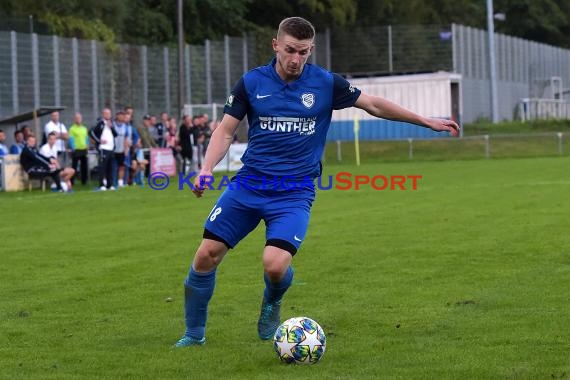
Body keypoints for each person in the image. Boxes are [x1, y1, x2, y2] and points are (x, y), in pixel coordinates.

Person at [174, 16, 459, 347]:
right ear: (276, 45)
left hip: (294, 192)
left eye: (304, 52)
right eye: (291, 51)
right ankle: (194, 335)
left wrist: (425, 120)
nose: (296, 60)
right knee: (207, 254)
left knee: (275, 265)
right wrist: (207, 167)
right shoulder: (252, 82)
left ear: (311, 50)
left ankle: (272, 302)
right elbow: (225, 130)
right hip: (249, 185)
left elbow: (374, 104)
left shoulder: (325, 82)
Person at [90, 108, 117, 191]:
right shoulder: (100, 123)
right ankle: (102, 184)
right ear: (103, 114)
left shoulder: (111, 123)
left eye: (109, 113)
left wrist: (111, 127)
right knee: (103, 167)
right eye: (106, 113)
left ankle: (110, 184)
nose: (108, 115)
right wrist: (99, 141)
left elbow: (115, 134)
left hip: (111, 148)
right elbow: (91, 132)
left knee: (110, 167)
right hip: (103, 148)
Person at [69, 112, 90, 185]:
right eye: (77, 118)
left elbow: (86, 138)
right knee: (74, 166)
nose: (78, 120)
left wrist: (87, 145)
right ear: (74, 119)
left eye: (79, 118)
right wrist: (73, 147)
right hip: (76, 149)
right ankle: (72, 181)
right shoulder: (72, 128)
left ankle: (84, 181)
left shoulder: (84, 128)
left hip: (84, 148)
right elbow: (71, 139)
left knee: (84, 165)